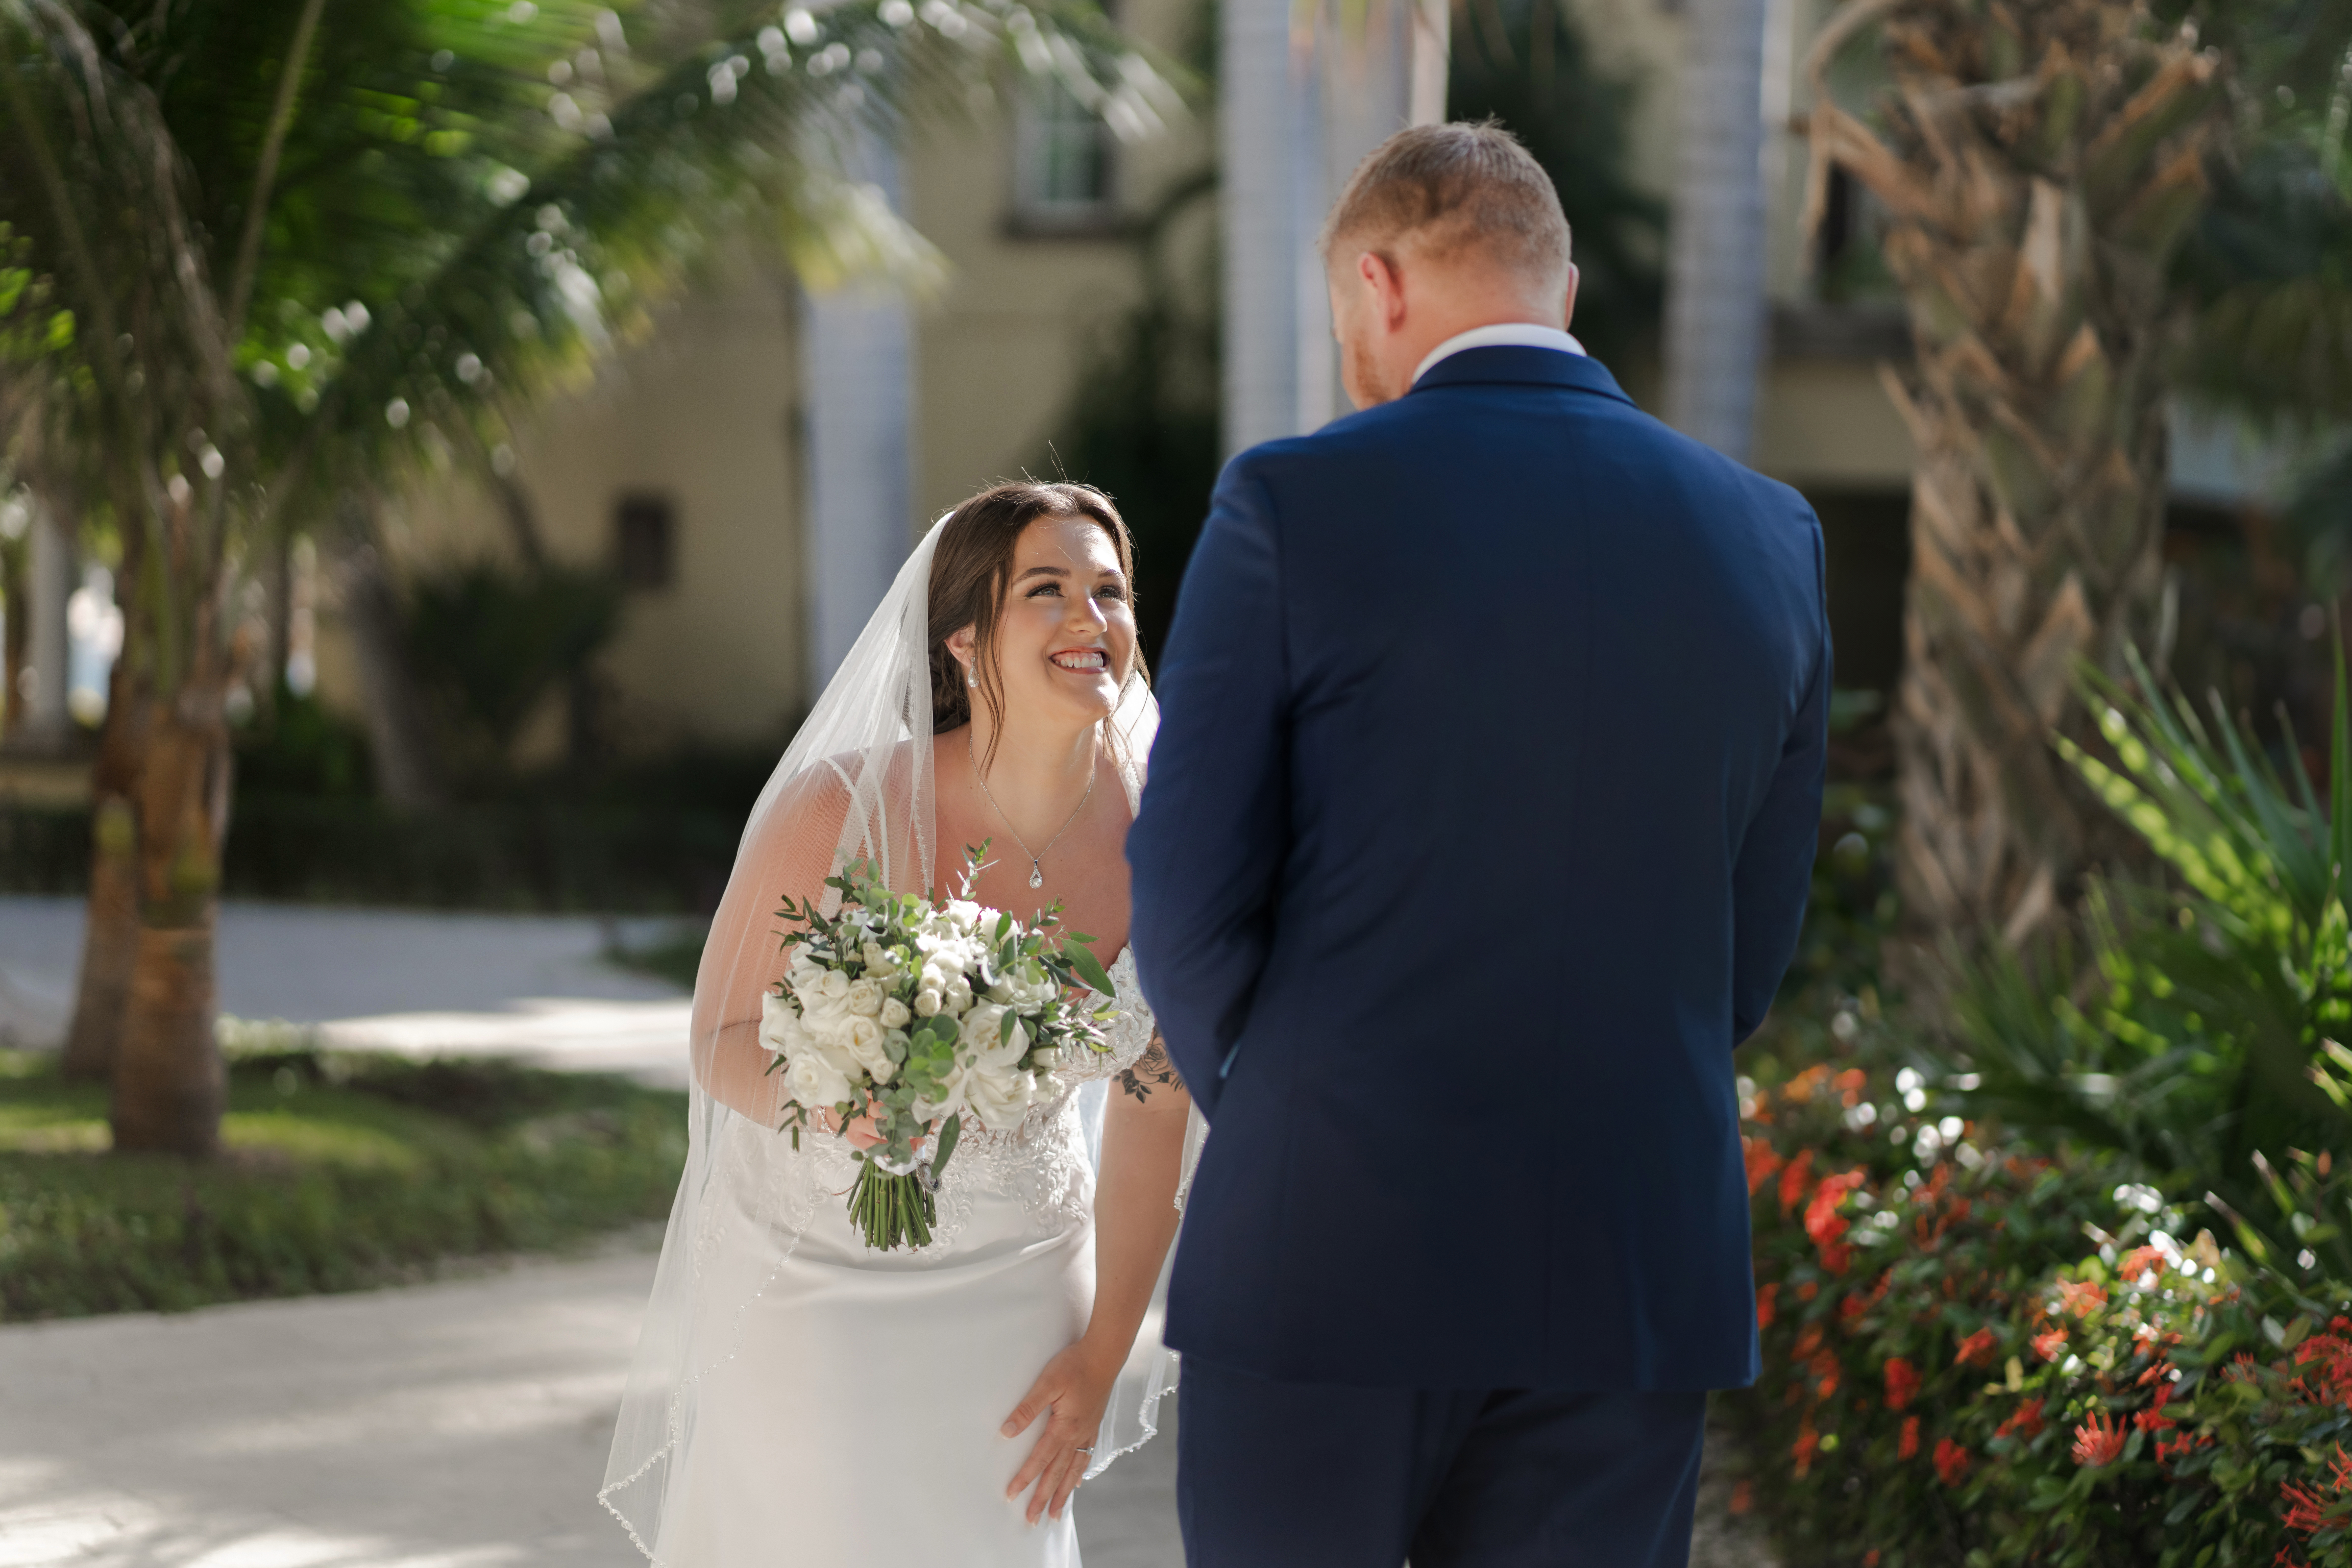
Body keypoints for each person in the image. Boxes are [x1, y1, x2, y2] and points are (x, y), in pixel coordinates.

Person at [1128, 122, 1830, 1567]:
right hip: (1632, 1273)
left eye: (1343, 321)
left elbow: (1187, 901)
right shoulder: (1773, 539)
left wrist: (1289, 1109)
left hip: (1328, 1252)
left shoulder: (1292, 502)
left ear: (1380, 287)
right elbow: (1748, 958)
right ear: (1562, 294)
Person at [602, 482, 1201, 1566]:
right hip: (821, 1285)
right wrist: (840, 1103)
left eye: (1111, 593)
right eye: (1049, 591)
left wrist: (1108, 1350)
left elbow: (1157, 1103)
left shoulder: (1170, 838)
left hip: (1026, 1286)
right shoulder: (840, 808)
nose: (1090, 620)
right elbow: (724, 1035)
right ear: (967, 642)